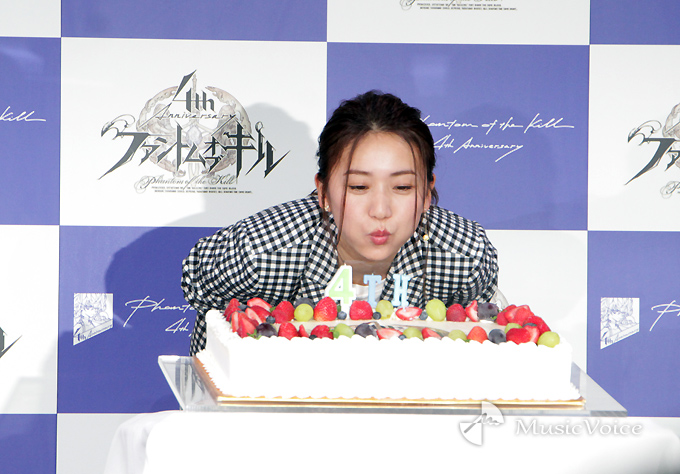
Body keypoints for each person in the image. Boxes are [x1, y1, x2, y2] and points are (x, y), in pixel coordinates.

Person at [182, 91, 498, 355]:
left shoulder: (464, 255)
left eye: (402, 187)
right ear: (323, 192)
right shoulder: (260, 251)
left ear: (427, 193)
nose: (381, 210)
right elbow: (206, 316)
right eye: (358, 187)